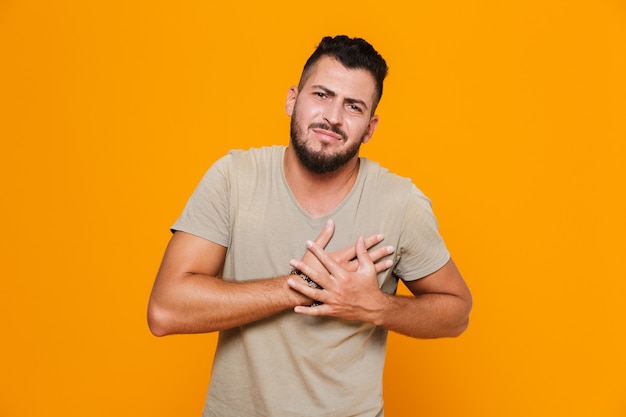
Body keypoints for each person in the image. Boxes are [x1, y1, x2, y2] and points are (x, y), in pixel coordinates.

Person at [148, 35, 472, 417]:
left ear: (370, 127)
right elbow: (165, 311)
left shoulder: (399, 203)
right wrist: (299, 289)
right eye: (322, 94)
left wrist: (376, 307)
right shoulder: (234, 179)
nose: (333, 117)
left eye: (353, 106)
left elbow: (457, 311)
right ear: (292, 100)